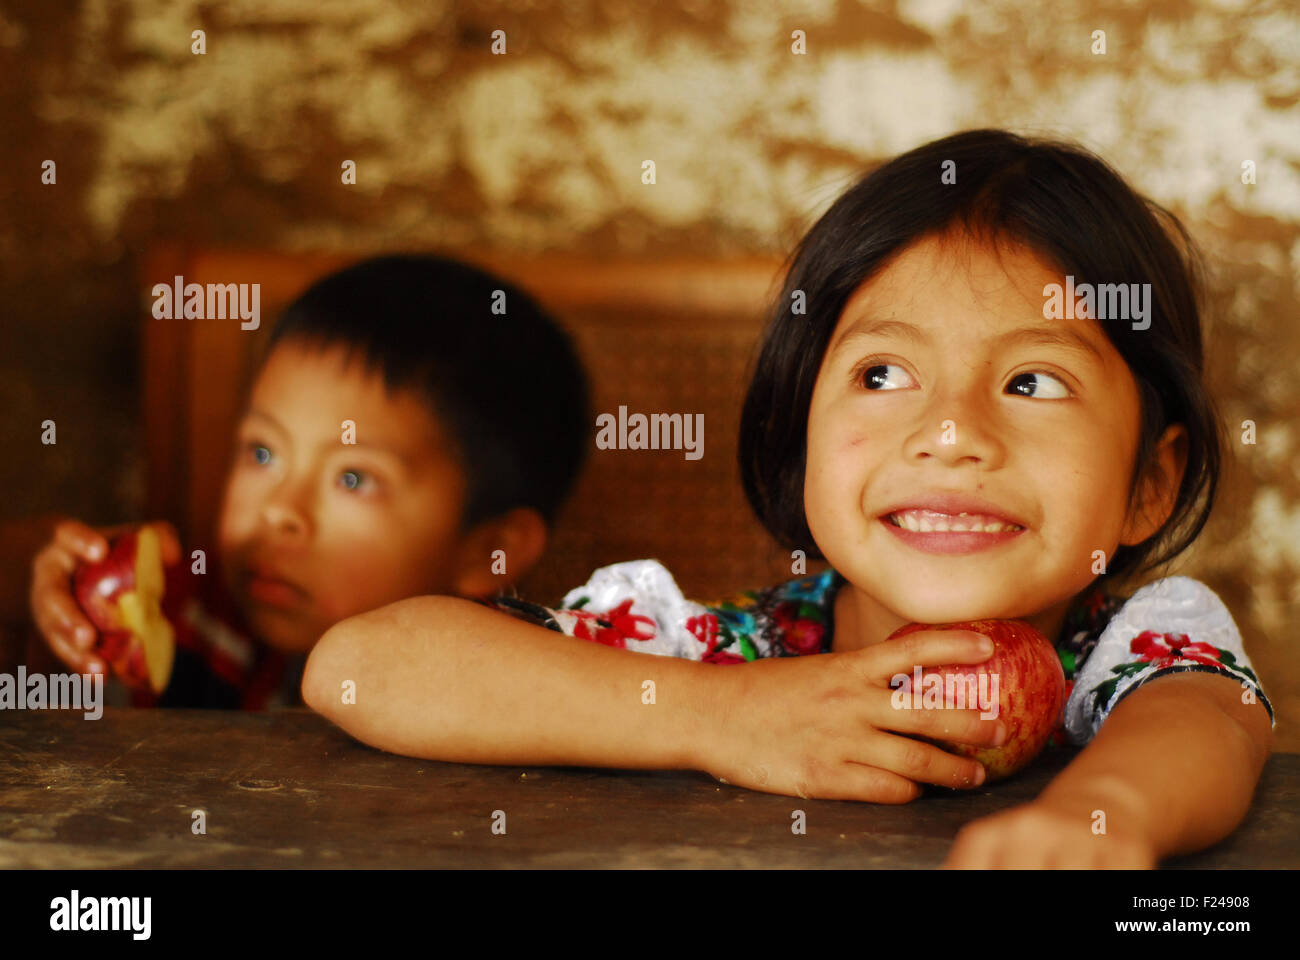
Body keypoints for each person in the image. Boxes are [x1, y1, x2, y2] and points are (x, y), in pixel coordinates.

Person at [301, 130, 1274, 868]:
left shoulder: (1129, 651)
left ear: (1148, 484)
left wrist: (1099, 816)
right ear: (798, 430)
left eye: (1031, 384)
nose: (950, 434)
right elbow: (359, 667)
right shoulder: (725, 658)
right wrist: (719, 718)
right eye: (884, 374)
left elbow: (1210, 721)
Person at [28, 254, 590, 708]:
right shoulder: (189, 621)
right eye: (262, 452)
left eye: (352, 477)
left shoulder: (507, 695)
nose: (280, 511)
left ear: (486, 550)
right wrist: (65, 584)